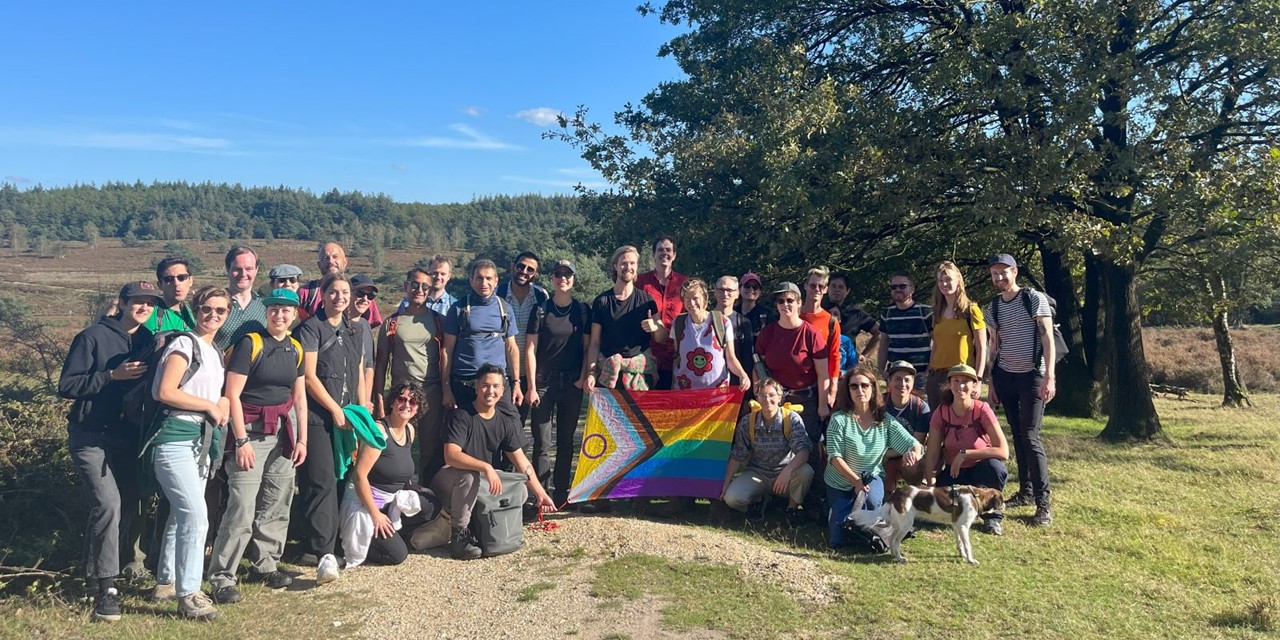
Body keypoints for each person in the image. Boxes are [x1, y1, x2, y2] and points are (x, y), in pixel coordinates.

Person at [59, 280, 163, 623]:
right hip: (90, 434)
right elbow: (68, 385)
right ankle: (107, 590)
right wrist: (110, 376)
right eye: (138, 301)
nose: (144, 307)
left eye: (150, 302)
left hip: (127, 436)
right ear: (122, 302)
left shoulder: (147, 340)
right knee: (108, 504)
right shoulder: (91, 337)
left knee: (128, 504)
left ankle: (92, 574)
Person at [207, 288, 307, 605]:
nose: (280, 314)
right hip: (249, 432)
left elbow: (299, 398)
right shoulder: (252, 344)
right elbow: (232, 394)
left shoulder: (295, 348)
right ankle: (222, 576)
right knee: (242, 507)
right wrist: (240, 440)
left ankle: (265, 564)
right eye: (274, 309)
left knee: (277, 502)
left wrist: (302, 438)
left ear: (295, 315)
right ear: (267, 312)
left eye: (286, 310)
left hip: (283, 433)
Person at [144, 285, 231, 621]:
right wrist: (210, 405)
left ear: (227, 315)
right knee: (196, 515)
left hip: (198, 440)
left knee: (181, 515)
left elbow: (215, 395)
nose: (213, 315)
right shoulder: (184, 344)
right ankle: (190, 594)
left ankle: (166, 581)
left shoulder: (214, 351)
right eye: (207, 309)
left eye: (220, 311)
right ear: (196, 310)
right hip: (173, 439)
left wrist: (219, 403)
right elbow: (164, 391)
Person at [431, 365, 555, 560]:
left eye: (496, 386)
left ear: (503, 389)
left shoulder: (505, 422)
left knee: (520, 490)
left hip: (482, 483)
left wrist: (540, 493)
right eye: (485, 385)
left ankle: (483, 523)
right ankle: (459, 535)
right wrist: (485, 466)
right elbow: (451, 455)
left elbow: (522, 462)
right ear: (476, 387)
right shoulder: (462, 416)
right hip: (452, 479)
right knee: (470, 477)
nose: (491, 391)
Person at [294, 273, 371, 583]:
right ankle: (322, 551)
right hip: (319, 417)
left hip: (347, 417)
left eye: (345, 292)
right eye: (334, 292)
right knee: (321, 480)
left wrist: (362, 410)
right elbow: (309, 377)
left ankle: (338, 544)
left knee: (342, 479)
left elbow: (359, 371)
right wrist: (334, 409)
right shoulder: (311, 328)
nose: (340, 297)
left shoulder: (354, 330)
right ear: (322, 296)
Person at [985, 253, 1055, 526]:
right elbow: (994, 346)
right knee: (1017, 435)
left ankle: (1043, 504)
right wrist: (991, 382)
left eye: (1004, 272)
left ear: (1015, 271)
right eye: (994, 274)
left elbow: (1047, 337)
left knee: (1030, 436)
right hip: (1005, 376)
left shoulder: (1033, 299)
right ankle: (1025, 492)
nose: (999, 278)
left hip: (1032, 377)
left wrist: (1050, 376)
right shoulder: (994, 307)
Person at [341, 382, 438, 567]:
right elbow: (359, 476)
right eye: (401, 399)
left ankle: (391, 533)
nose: (406, 405)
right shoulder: (380, 431)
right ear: (392, 402)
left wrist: (409, 486)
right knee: (398, 555)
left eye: (413, 401)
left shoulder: (409, 430)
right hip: (367, 503)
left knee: (431, 503)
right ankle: (371, 541)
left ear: (418, 408)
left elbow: (399, 464)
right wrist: (376, 514)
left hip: (391, 500)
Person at [824, 366, 922, 549]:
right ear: (848, 390)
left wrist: (912, 453)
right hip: (840, 481)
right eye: (854, 386)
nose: (860, 390)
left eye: (864, 385)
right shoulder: (839, 420)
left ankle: (874, 522)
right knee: (838, 541)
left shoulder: (884, 420)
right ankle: (832, 511)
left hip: (870, 477)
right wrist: (855, 482)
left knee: (868, 510)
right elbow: (834, 457)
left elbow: (914, 444)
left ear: (873, 388)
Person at [525, 260, 591, 505]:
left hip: (571, 382)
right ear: (552, 279)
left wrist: (584, 376)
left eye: (567, 274)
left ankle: (562, 495)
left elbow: (587, 348)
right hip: (544, 382)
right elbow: (530, 349)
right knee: (542, 442)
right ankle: (540, 496)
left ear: (573, 279)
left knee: (566, 441)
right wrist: (531, 386)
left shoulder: (582, 311)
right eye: (558, 274)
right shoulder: (540, 310)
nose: (562, 278)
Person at [375, 267, 447, 484]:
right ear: (406, 286)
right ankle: (400, 491)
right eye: (415, 285)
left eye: (425, 286)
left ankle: (427, 496)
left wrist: (446, 391)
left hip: (431, 391)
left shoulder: (438, 321)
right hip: (402, 395)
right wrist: (379, 401)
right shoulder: (392, 323)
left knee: (430, 448)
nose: (420, 290)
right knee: (399, 445)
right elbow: (380, 365)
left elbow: (445, 357)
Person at [922, 364, 1010, 535]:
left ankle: (992, 518)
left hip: (981, 471)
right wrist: (931, 487)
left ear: (974, 385)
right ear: (950, 383)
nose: (960, 386)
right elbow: (932, 454)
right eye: (956, 381)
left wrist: (965, 454)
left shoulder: (982, 409)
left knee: (995, 468)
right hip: (955, 474)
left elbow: (1003, 451)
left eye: (965, 382)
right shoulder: (941, 412)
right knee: (940, 511)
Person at [720, 378, 813, 525]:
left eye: (771, 395)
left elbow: (804, 451)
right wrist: (725, 483)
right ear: (757, 398)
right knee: (732, 498)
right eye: (762, 395)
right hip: (757, 473)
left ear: (780, 397)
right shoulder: (748, 421)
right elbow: (737, 456)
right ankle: (758, 502)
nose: (767, 399)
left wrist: (787, 471)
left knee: (806, 471)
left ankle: (791, 509)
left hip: (784, 474)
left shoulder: (791, 418)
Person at [752, 282, 830, 444]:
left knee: (807, 446)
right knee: (778, 446)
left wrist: (822, 405)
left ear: (799, 303)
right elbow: (758, 368)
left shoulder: (812, 334)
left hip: (806, 400)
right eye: (780, 301)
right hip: (775, 400)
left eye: (790, 300)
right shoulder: (767, 333)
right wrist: (760, 396)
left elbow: (823, 374)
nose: (785, 304)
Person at [441, 259, 522, 411]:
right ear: (471, 280)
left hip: (497, 384)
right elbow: (447, 350)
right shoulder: (459, 308)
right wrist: (446, 389)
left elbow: (511, 348)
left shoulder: (504, 308)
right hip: (465, 383)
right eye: (479, 278)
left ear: (496, 281)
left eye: (489, 278)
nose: (484, 283)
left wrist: (516, 383)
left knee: (511, 429)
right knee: (464, 431)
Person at [584, 245, 663, 393]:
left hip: (640, 376)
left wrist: (655, 328)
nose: (628, 267)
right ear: (615, 266)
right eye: (624, 263)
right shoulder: (602, 301)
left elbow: (661, 338)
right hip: (607, 373)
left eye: (632, 263)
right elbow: (594, 342)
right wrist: (591, 373)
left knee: (637, 417)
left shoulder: (647, 301)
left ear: (637, 267)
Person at [927, 261, 988, 408]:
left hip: (960, 376)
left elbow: (981, 348)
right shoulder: (937, 312)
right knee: (936, 424)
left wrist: (978, 380)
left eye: (948, 279)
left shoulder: (971, 310)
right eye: (941, 280)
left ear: (958, 281)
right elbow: (936, 344)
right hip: (936, 375)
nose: (944, 284)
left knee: (959, 424)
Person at [671, 278, 751, 391]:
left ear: (705, 299)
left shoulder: (722, 323)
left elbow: (731, 358)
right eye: (687, 299)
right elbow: (677, 358)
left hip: (716, 394)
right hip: (685, 392)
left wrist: (743, 375)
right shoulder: (678, 323)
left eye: (695, 298)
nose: (691, 303)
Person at [498, 251, 548, 425]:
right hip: (501, 372)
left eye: (530, 269)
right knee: (496, 425)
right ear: (513, 266)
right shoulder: (498, 294)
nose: (524, 271)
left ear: (535, 274)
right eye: (521, 266)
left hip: (528, 373)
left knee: (517, 425)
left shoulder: (541, 297)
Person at [636, 235, 686, 389]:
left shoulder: (684, 283)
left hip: (677, 356)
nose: (664, 253)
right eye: (660, 250)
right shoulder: (640, 282)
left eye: (668, 250)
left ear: (674, 255)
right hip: (646, 355)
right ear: (654, 254)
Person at [299, 242, 386, 326]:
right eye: (325, 258)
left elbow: (369, 327)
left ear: (345, 261)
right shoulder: (306, 293)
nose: (331, 261)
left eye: (335, 257)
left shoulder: (360, 293)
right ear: (319, 264)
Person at [876, 272, 932, 394]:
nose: (897, 290)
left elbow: (937, 343)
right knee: (894, 411)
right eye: (893, 287)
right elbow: (884, 343)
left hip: (919, 375)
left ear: (912, 288)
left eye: (902, 286)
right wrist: (881, 370)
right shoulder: (887, 314)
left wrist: (928, 371)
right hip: (894, 374)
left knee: (920, 410)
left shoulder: (925, 312)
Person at [880, 361, 932, 489]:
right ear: (889, 381)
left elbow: (917, 443)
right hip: (880, 454)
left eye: (907, 380)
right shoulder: (879, 404)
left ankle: (914, 492)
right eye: (897, 379)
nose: (903, 384)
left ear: (913, 383)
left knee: (913, 462)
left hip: (901, 454)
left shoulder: (920, 407)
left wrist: (887, 454)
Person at [800, 267, 843, 413]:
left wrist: (832, 390)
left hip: (819, 388)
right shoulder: (793, 316)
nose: (816, 289)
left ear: (825, 289)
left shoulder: (831, 322)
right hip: (793, 387)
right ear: (805, 286)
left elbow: (835, 357)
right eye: (813, 285)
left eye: (821, 286)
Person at [215, 246, 267, 351]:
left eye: (249, 269)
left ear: (256, 270)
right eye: (237, 269)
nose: (243, 274)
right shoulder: (215, 304)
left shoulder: (265, 306)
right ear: (227, 269)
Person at [825, 272, 880, 360]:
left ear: (847, 291)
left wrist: (864, 356)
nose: (836, 289)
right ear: (827, 288)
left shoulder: (856, 313)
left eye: (841, 287)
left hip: (847, 365)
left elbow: (879, 332)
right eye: (833, 286)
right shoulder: (819, 310)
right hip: (821, 363)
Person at [714, 275, 754, 391]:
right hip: (709, 386)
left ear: (737, 294)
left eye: (729, 290)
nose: (725, 294)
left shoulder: (743, 322)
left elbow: (747, 359)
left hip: (735, 387)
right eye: (721, 290)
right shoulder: (705, 319)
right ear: (715, 292)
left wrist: (747, 396)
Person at [347, 275, 380, 406]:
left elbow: (369, 366)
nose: (365, 299)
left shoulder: (365, 325)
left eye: (370, 296)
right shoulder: (336, 325)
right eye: (360, 293)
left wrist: (365, 401)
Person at [146, 258, 196, 332]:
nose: (176, 283)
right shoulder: (147, 312)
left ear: (191, 281)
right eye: (168, 279)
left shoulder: (199, 314)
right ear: (160, 285)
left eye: (181, 277)